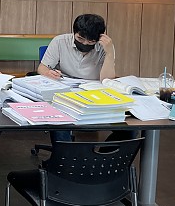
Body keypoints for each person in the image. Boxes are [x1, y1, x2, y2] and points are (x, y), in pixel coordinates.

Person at [37, 13, 132, 142]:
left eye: (91, 41)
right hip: (65, 91)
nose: (85, 43)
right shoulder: (60, 41)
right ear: (74, 32)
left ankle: (106, 154)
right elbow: (42, 68)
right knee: (60, 119)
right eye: (80, 39)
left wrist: (110, 53)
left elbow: (107, 80)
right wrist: (48, 73)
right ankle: (65, 154)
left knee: (130, 128)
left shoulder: (105, 47)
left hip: (95, 94)